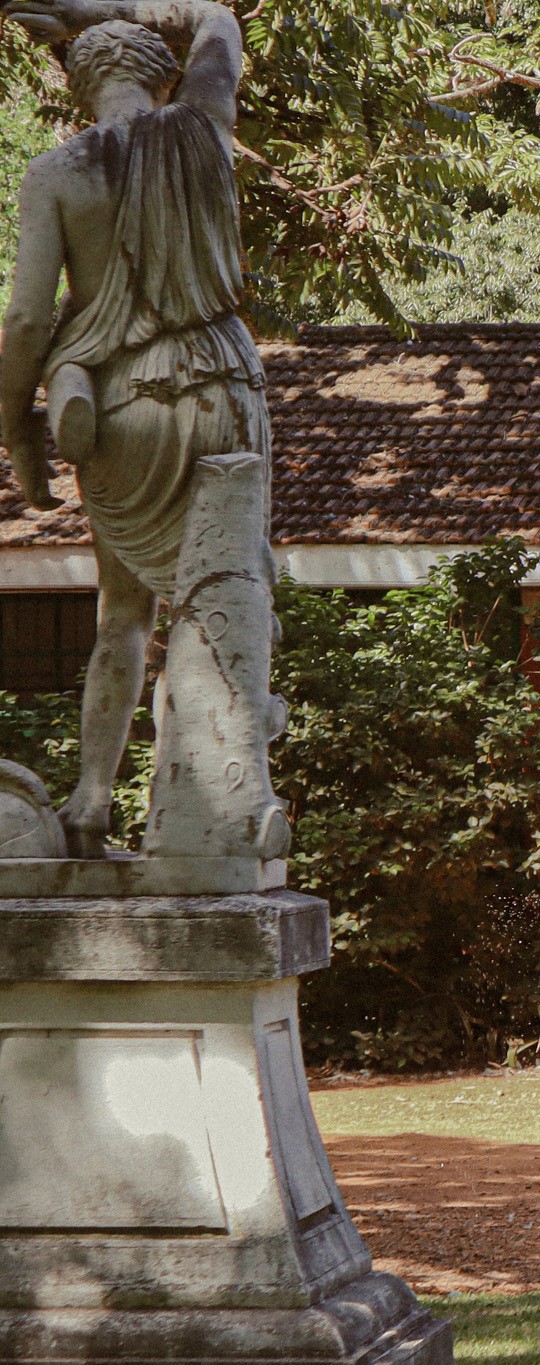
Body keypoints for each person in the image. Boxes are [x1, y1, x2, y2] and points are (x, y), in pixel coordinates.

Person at [0, 0, 270, 857]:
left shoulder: (57, 172)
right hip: (223, 384)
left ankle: (90, 799)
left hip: (124, 400)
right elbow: (219, 19)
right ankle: (205, 804)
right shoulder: (203, 127)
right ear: (162, 74)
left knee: (123, 611)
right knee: (224, 591)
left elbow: (25, 322)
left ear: (82, 86)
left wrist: (18, 430)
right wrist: (100, 9)